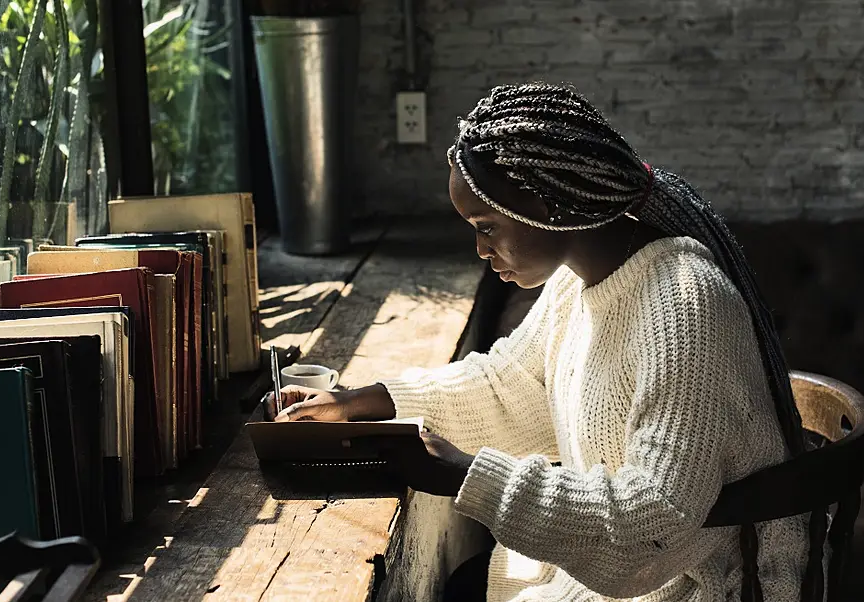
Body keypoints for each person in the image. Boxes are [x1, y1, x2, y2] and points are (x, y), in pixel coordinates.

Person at [271, 82, 825, 602]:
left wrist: (467, 474)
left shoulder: (684, 303)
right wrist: (370, 401)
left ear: (548, 207)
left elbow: (652, 522)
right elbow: (515, 387)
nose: (480, 250)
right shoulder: (577, 280)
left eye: (486, 226)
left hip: (701, 587)